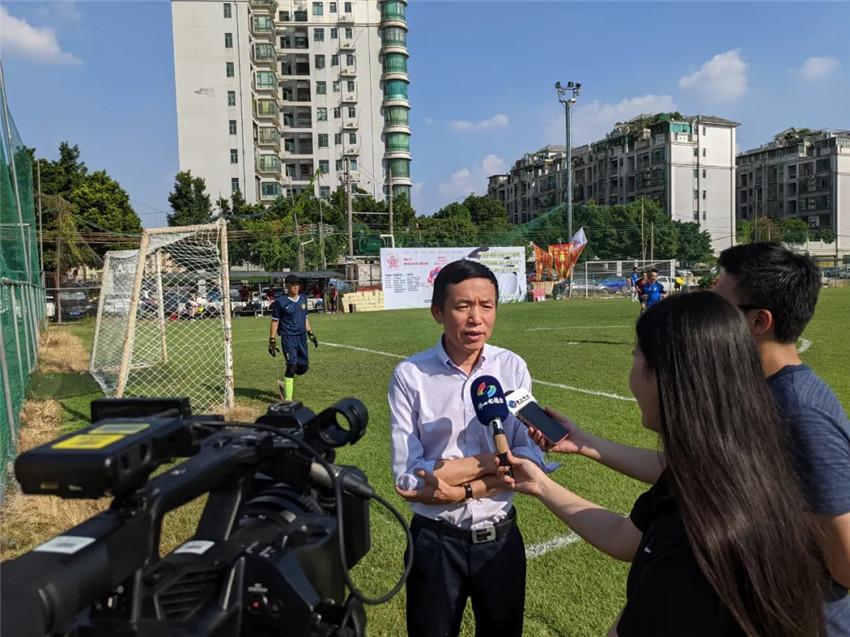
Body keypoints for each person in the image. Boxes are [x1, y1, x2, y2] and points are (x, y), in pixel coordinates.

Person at [503, 292, 826, 636]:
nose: (631, 377)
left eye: (634, 360)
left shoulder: (695, 540)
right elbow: (624, 537)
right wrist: (542, 483)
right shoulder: (737, 470)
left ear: (664, 378)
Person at [388, 259, 552, 637]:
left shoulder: (511, 367)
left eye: (487, 305)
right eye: (463, 306)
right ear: (437, 312)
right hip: (434, 541)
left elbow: (531, 458)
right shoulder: (410, 376)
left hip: (501, 540)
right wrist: (494, 465)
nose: (476, 318)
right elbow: (410, 479)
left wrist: (458, 484)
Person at [714, 242, 850, 633]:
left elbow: (844, 560)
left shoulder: (799, 413)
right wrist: (586, 444)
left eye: (720, 310)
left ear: (759, 322)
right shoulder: (759, 390)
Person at [268, 274, 318, 401]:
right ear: (287, 286)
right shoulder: (280, 302)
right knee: (292, 366)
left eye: (297, 284)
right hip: (288, 337)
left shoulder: (303, 299)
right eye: (293, 284)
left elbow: (305, 317)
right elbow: (275, 321)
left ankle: (285, 383)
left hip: (301, 337)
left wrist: (310, 333)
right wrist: (272, 340)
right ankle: (288, 398)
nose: (296, 287)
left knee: (303, 367)